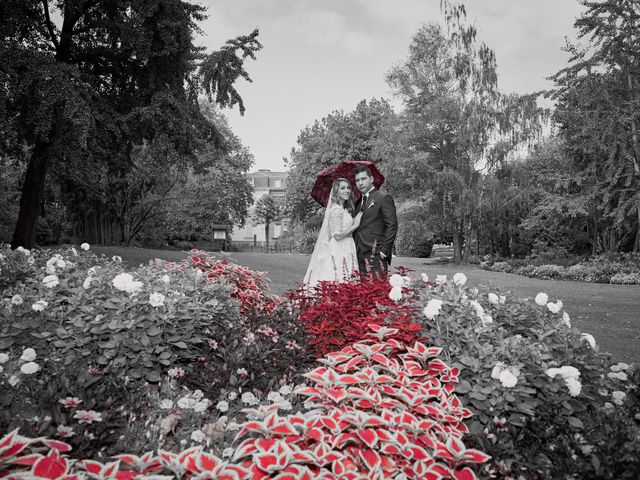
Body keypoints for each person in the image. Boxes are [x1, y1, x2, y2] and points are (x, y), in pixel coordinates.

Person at [303, 178, 363, 287]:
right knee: (339, 276)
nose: (347, 190)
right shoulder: (336, 210)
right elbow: (337, 236)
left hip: (348, 246)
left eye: (348, 188)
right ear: (336, 191)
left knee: (346, 276)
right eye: (343, 188)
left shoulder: (343, 209)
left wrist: (352, 220)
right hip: (340, 248)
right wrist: (355, 225)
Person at [353, 165, 398, 277]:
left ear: (371, 179)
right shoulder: (357, 203)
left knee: (377, 291)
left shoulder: (383, 198)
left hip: (376, 255)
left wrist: (384, 251)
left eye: (363, 179)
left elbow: (392, 225)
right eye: (357, 180)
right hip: (357, 255)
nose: (360, 183)